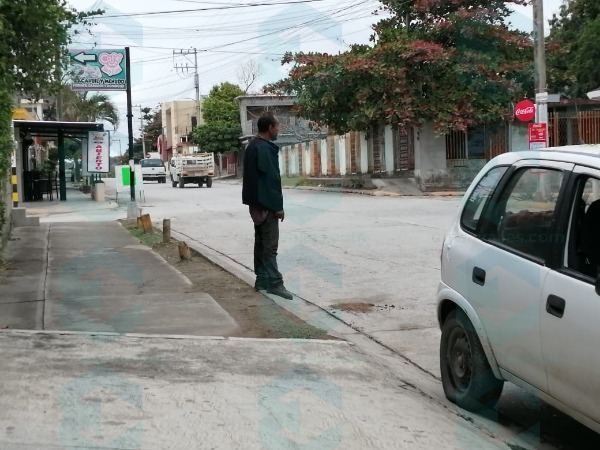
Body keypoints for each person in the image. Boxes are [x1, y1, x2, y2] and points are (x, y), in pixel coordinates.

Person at [242, 112, 293, 300]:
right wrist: (277, 206)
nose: (279, 129)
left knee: (261, 243)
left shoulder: (252, 146)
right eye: (277, 126)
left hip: (256, 203)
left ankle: (262, 280)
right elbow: (271, 180)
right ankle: (275, 283)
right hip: (266, 204)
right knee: (270, 245)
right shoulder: (264, 148)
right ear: (270, 128)